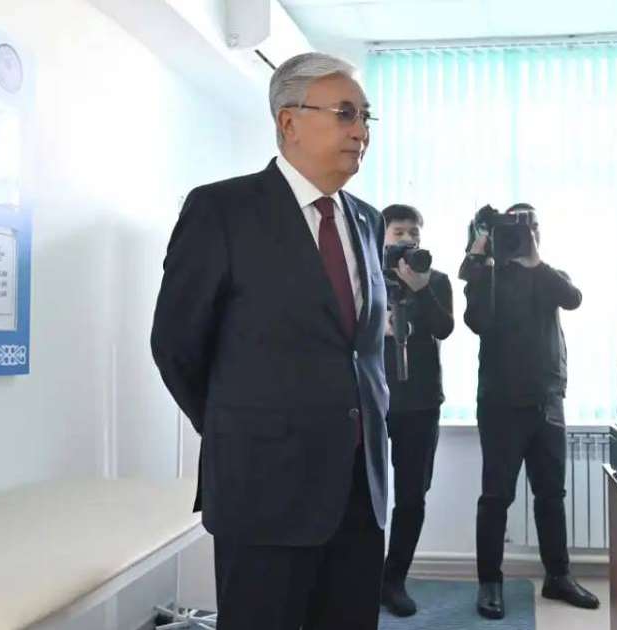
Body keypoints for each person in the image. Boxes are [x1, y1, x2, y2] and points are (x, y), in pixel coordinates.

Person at [150, 52, 390, 630]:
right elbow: (176, 345)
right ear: (289, 121)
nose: (360, 130)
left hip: (360, 491)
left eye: (365, 117)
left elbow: (359, 351)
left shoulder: (368, 220)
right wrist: (239, 428)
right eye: (345, 113)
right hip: (263, 490)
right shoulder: (222, 210)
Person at [460, 203, 600, 619]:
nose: (525, 233)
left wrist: (536, 263)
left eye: (531, 225)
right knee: (496, 497)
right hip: (501, 405)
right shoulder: (487, 276)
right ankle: (490, 583)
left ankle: (558, 576)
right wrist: (481, 259)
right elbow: (477, 321)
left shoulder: (549, 275)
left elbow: (573, 299)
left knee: (551, 495)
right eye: (516, 226)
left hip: (549, 401)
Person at [377, 204, 454, 617]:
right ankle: (360, 576)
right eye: (399, 232)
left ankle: (394, 580)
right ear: (382, 236)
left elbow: (445, 328)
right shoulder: (367, 276)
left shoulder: (435, 280)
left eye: (414, 233)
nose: (408, 240)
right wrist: (380, 325)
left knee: (411, 497)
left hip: (421, 403)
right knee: (362, 496)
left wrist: (420, 289)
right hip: (372, 401)